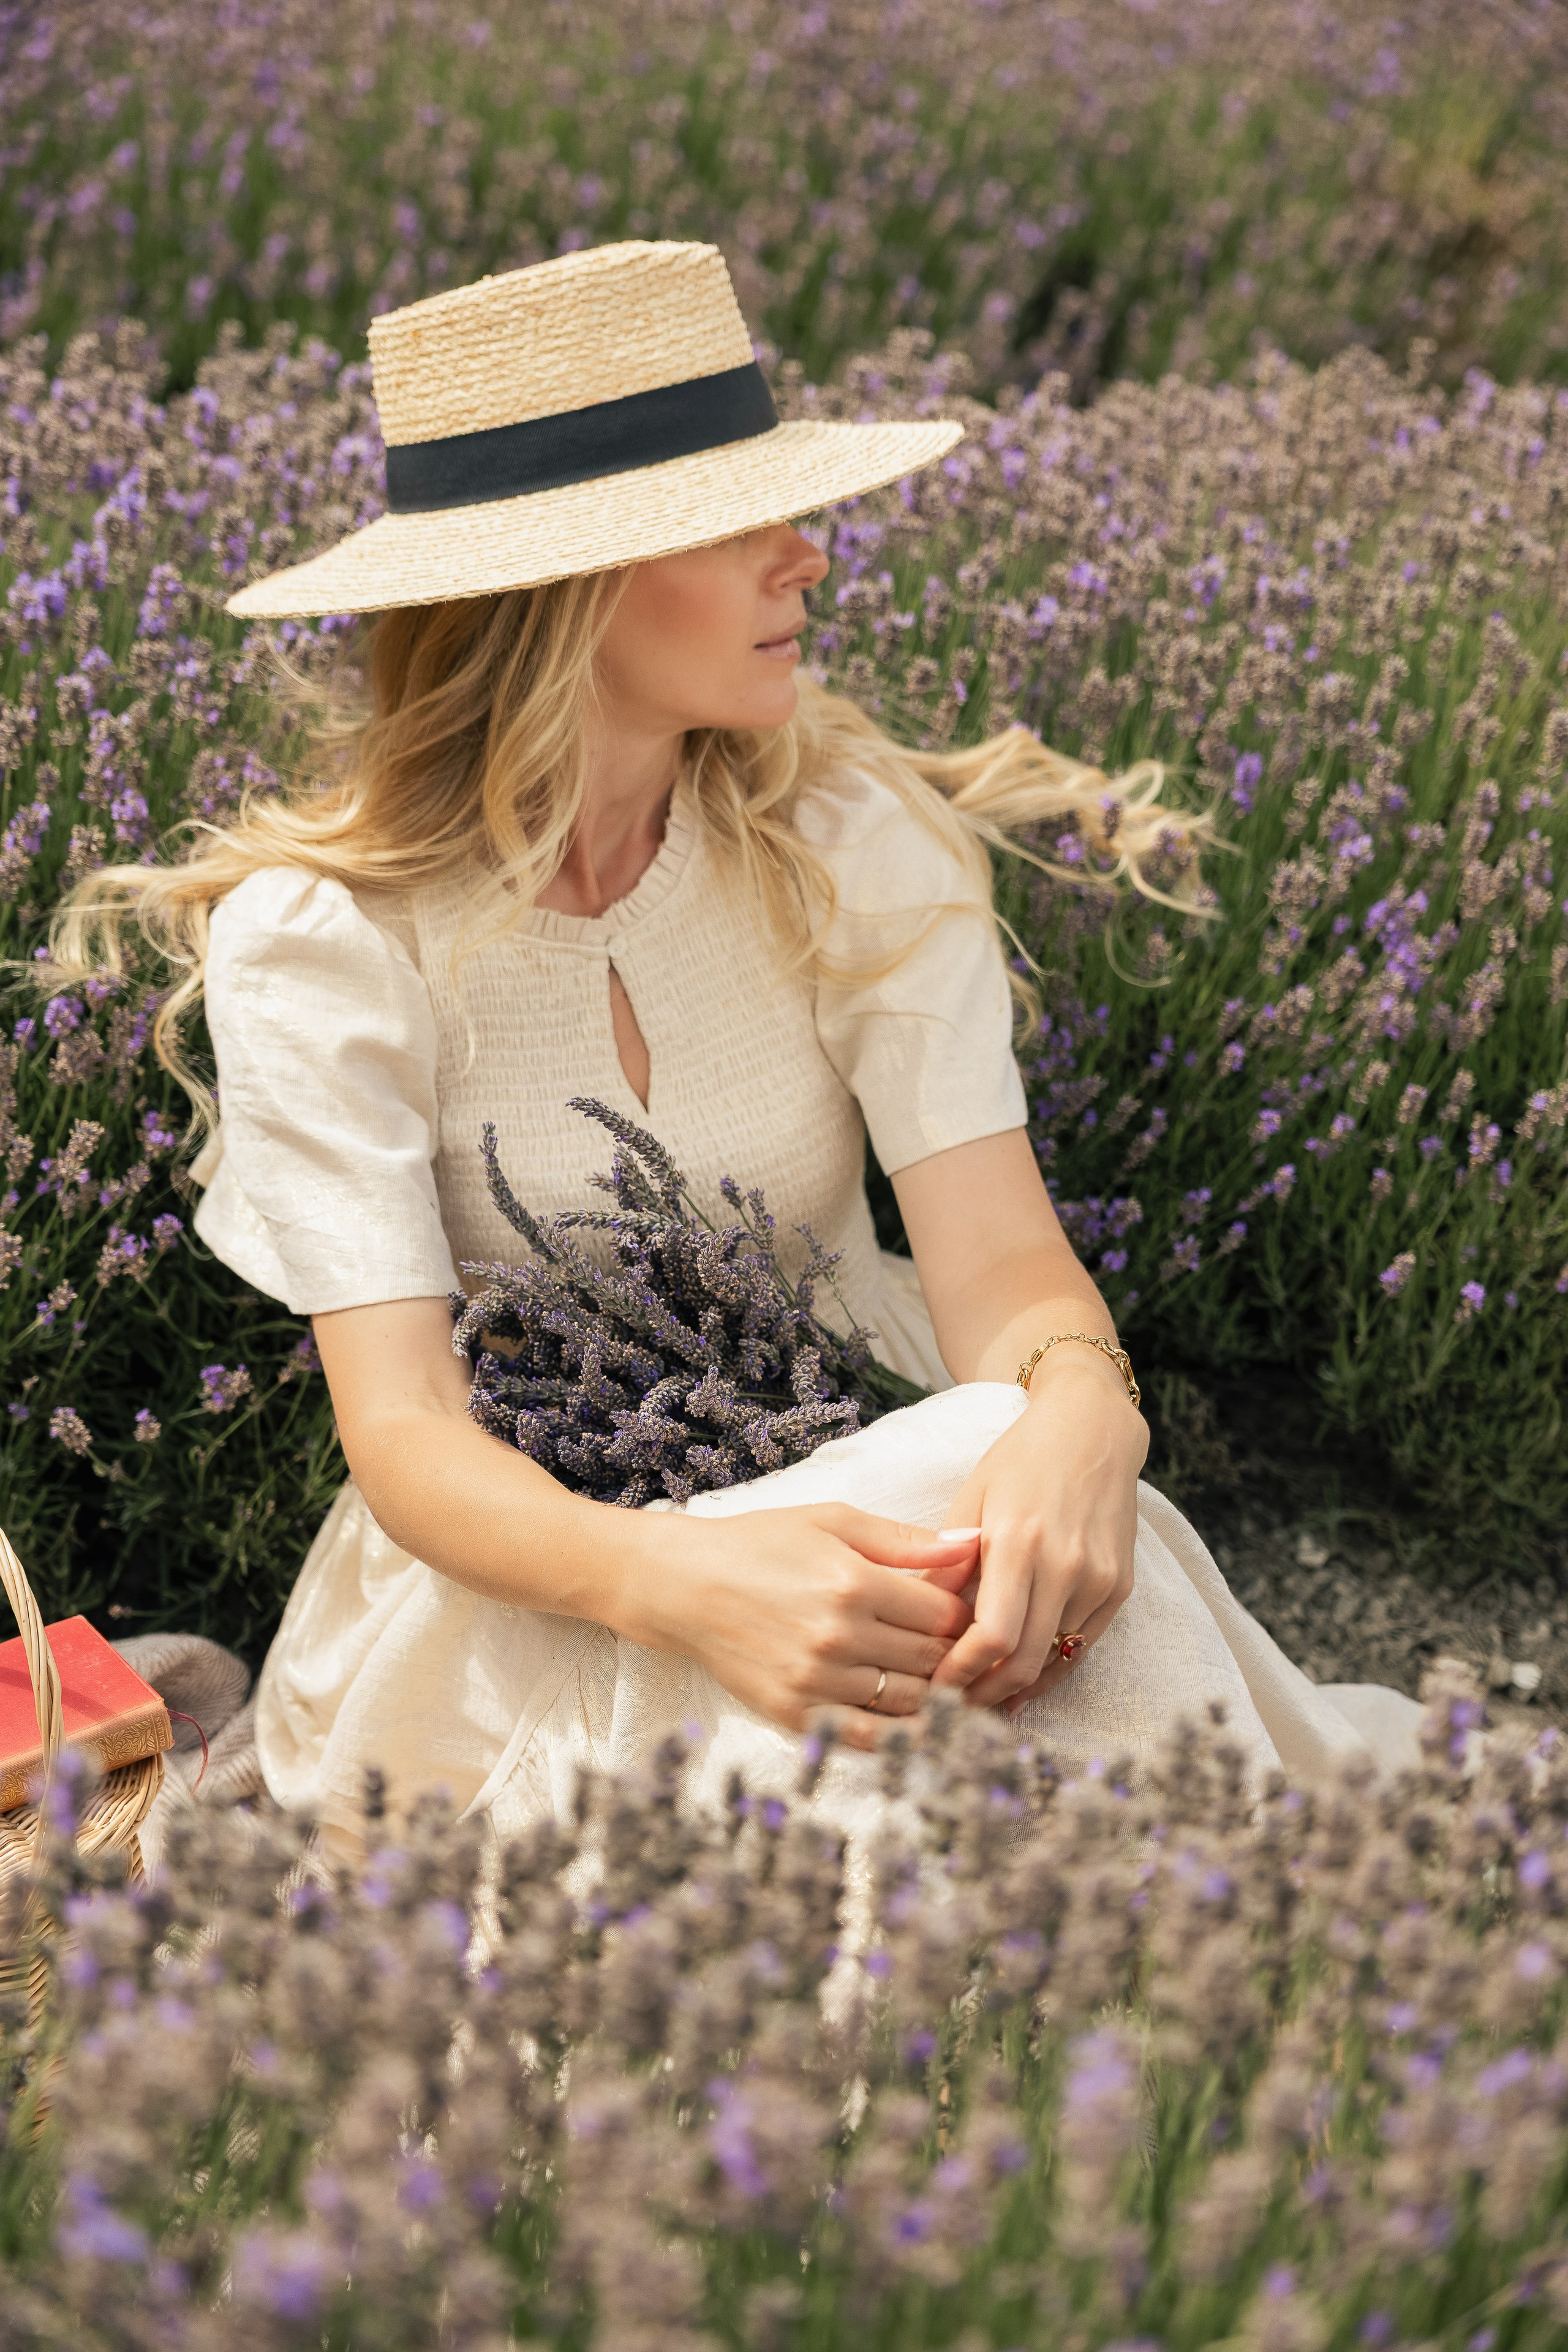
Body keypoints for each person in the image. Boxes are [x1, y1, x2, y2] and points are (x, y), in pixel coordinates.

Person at [51, 241, 1421, 1861]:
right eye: (738, 521)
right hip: (537, 1585)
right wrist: (688, 1582)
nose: (811, 561)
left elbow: (1001, 1265)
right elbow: (408, 1435)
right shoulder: (328, 943)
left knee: (983, 1493)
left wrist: (1083, 1416)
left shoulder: (843, 838)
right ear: (570, 589)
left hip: (890, 1477)